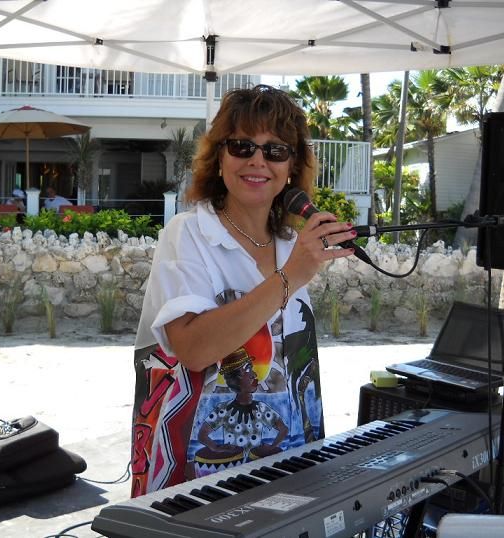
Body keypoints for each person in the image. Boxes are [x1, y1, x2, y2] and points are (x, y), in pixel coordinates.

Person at [130, 84, 358, 498]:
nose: (257, 160)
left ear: (292, 166)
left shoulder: (291, 244)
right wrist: (289, 277)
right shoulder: (189, 234)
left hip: (289, 466)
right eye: (242, 146)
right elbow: (193, 350)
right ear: (219, 158)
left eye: (275, 150)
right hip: (200, 475)